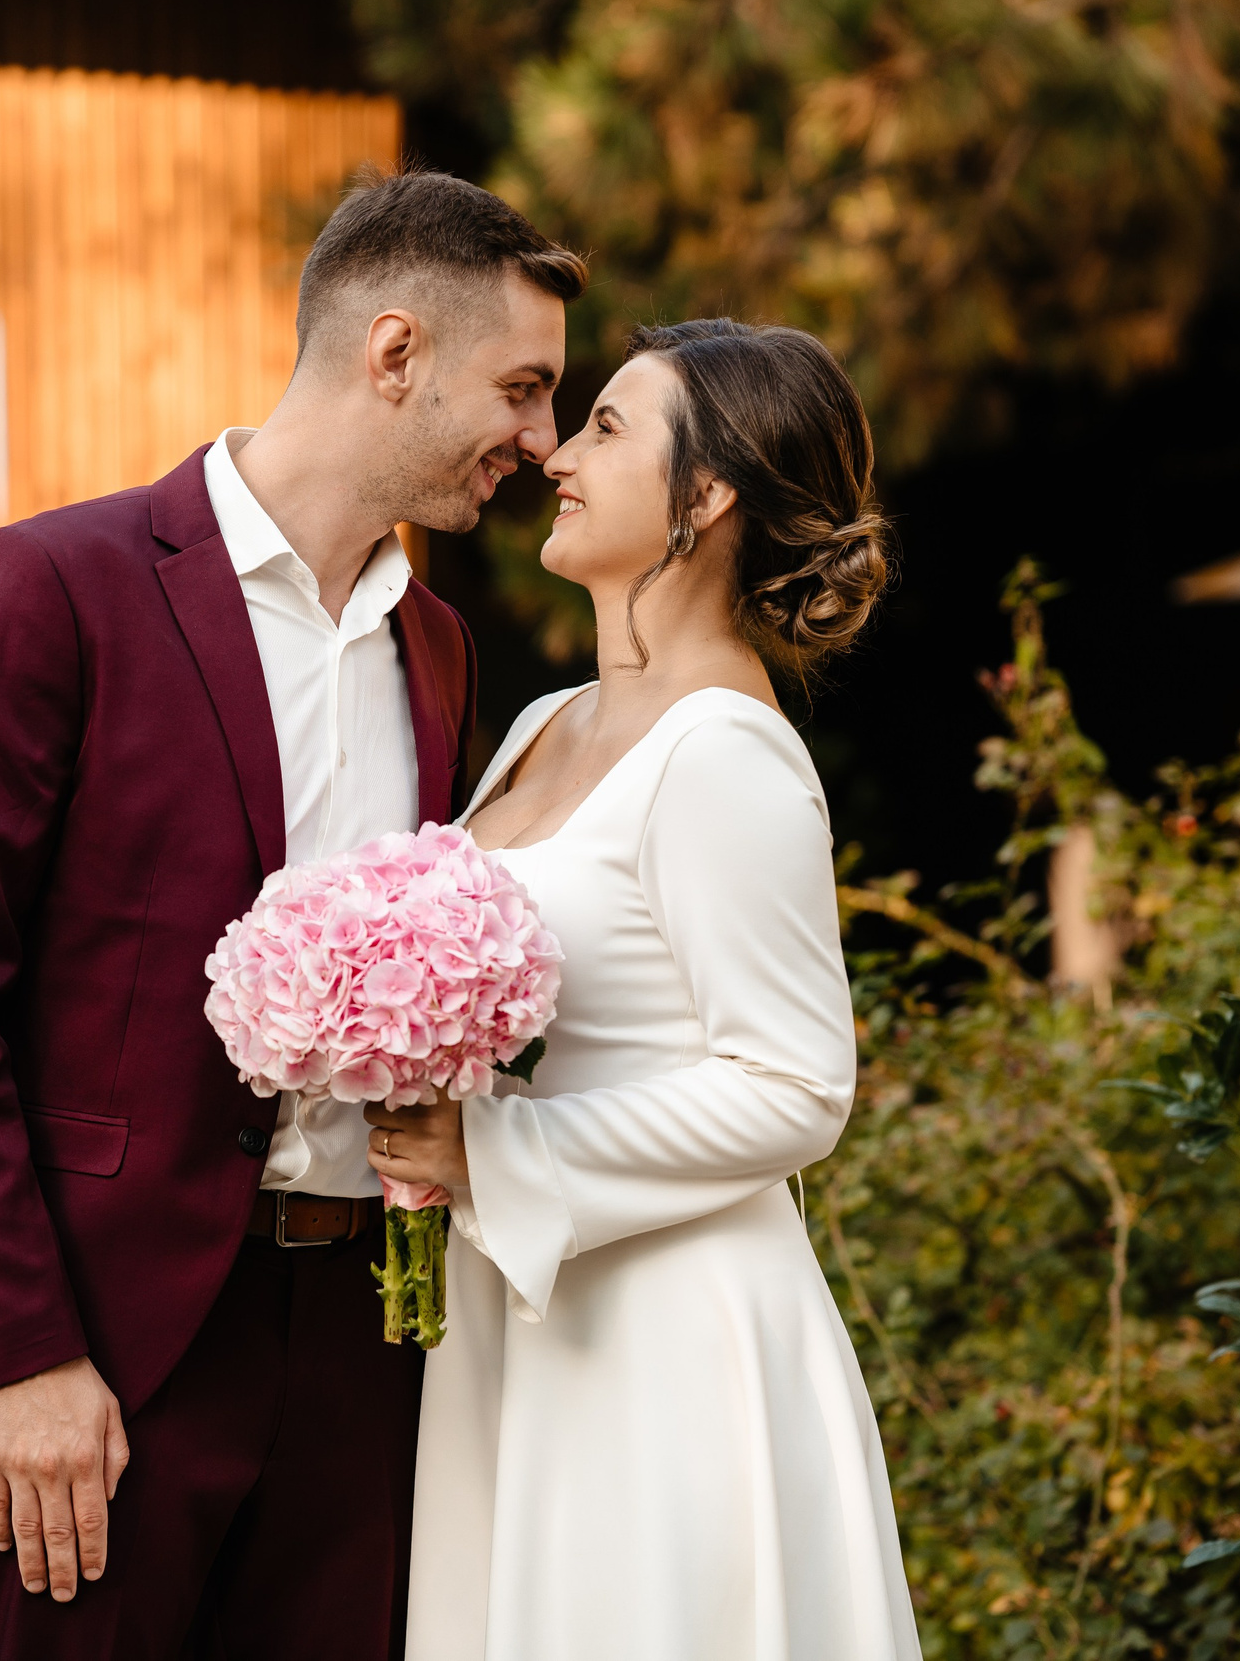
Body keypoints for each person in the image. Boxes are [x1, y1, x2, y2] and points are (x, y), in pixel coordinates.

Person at [0, 171, 585, 1660]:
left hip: (366, 1354)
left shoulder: (437, 653)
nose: (543, 442)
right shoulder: (59, 584)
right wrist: (22, 1358)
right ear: (395, 355)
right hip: (107, 1347)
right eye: (522, 388)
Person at [366, 320, 923, 1660]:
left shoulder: (727, 753)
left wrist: (499, 1148)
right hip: (525, 1316)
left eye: (608, 428)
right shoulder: (547, 724)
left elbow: (797, 1089)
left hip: (666, 1338)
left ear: (709, 495)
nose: (556, 451)